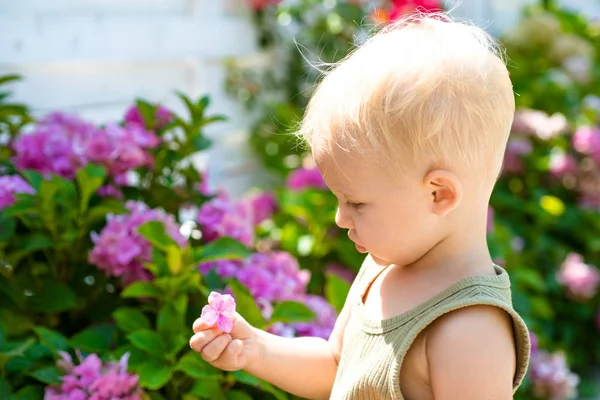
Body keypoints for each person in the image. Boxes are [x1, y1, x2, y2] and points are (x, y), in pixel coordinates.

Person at [190, 11, 530, 400]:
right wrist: (255, 349)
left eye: (356, 202)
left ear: (439, 194)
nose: (339, 217)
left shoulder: (469, 330)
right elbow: (336, 366)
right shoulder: (381, 272)